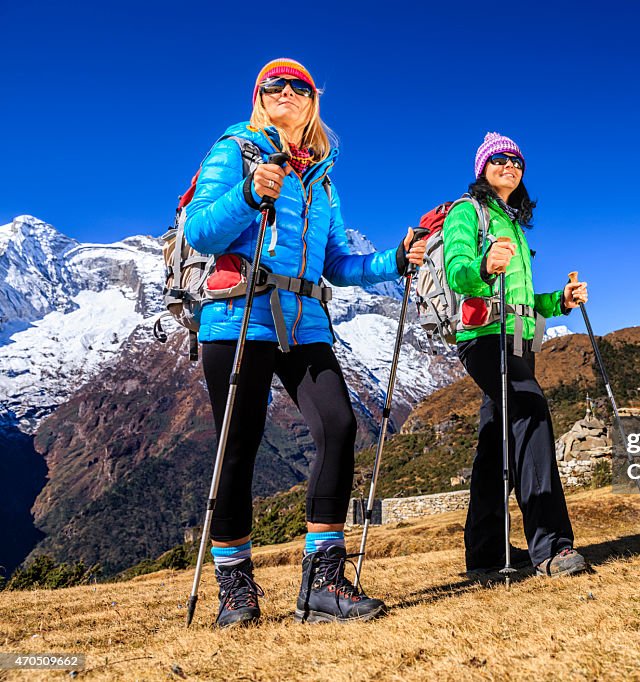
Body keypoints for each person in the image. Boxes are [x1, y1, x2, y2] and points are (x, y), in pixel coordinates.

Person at [184, 58, 425, 627]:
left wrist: (393, 260)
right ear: (259, 97)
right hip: (238, 313)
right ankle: (235, 591)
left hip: (305, 318)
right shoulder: (236, 151)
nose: (285, 91)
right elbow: (199, 229)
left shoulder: (323, 178)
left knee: (338, 426)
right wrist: (247, 193)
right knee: (237, 447)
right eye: (275, 85)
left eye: (298, 86)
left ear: (313, 99)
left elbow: (338, 263)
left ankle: (322, 582)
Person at [443, 132, 590, 579]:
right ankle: (552, 545)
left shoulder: (513, 225)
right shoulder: (467, 213)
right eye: (499, 159)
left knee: (497, 441)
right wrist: (484, 268)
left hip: (519, 340)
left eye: (517, 161)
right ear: (482, 169)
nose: (510, 165)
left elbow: (522, 301)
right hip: (484, 336)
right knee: (530, 408)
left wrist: (559, 301)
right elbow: (457, 271)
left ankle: (485, 551)